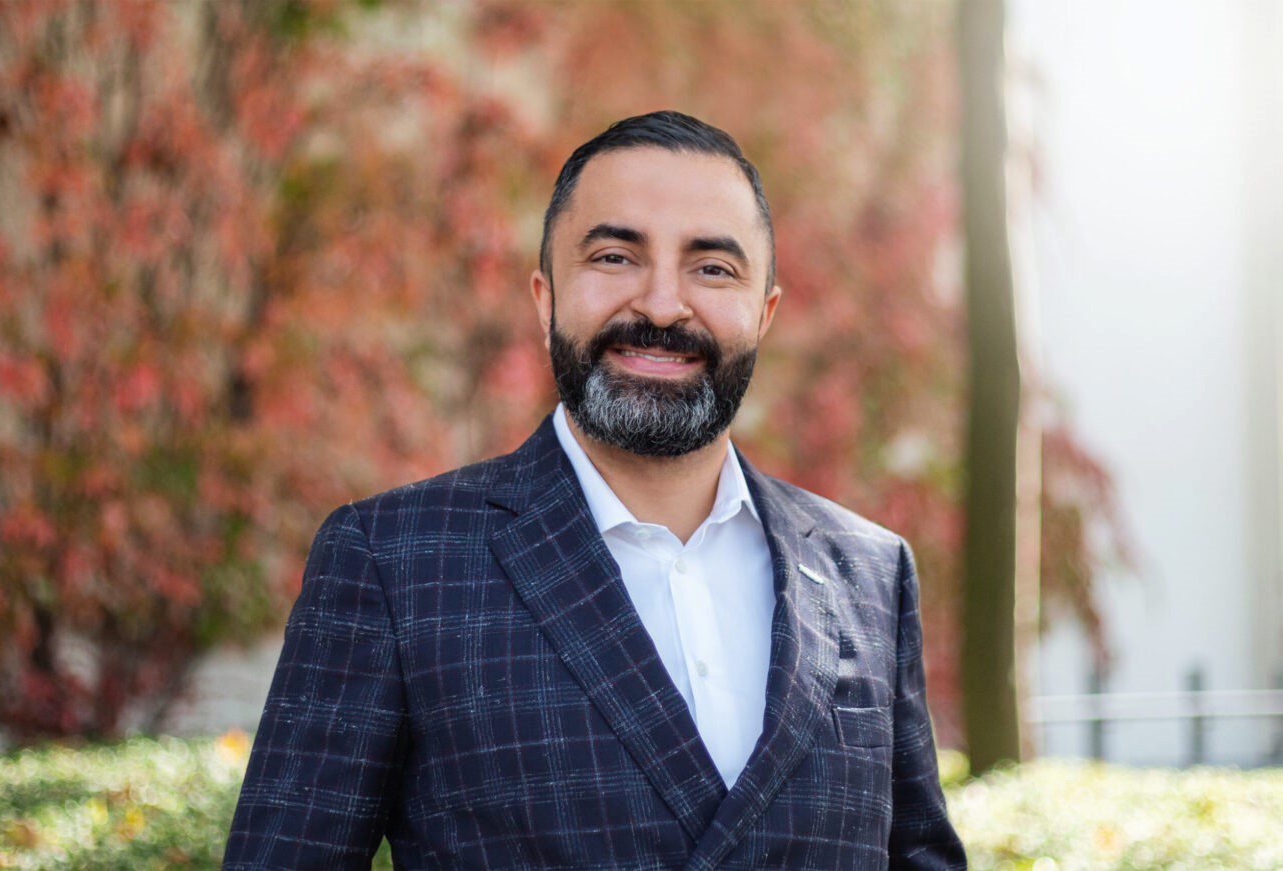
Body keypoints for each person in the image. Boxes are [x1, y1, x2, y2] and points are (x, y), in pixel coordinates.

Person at [224, 109, 967, 869]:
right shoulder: (394, 562)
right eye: (615, 257)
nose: (662, 305)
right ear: (545, 298)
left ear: (764, 312)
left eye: (713, 268)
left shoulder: (870, 573)